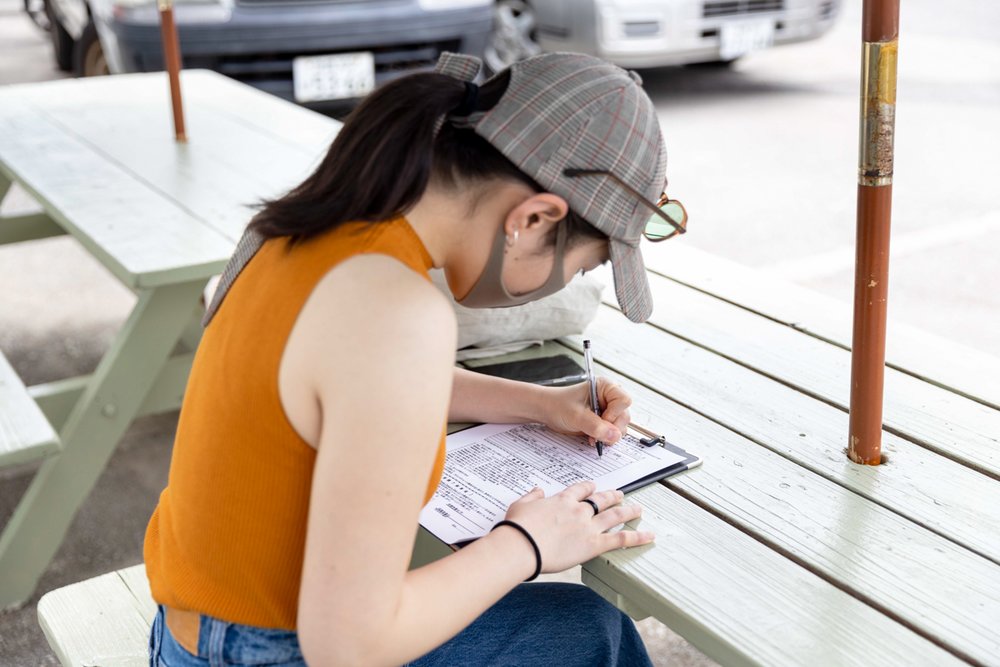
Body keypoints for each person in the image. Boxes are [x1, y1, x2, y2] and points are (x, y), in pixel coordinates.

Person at [145, 50, 686, 666]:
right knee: (593, 635)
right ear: (534, 219)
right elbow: (348, 648)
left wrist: (541, 404)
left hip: (192, 630)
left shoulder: (318, 225)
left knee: (587, 627)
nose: (568, 283)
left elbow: (356, 382)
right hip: (262, 651)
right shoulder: (397, 311)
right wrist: (527, 544)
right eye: (583, 266)